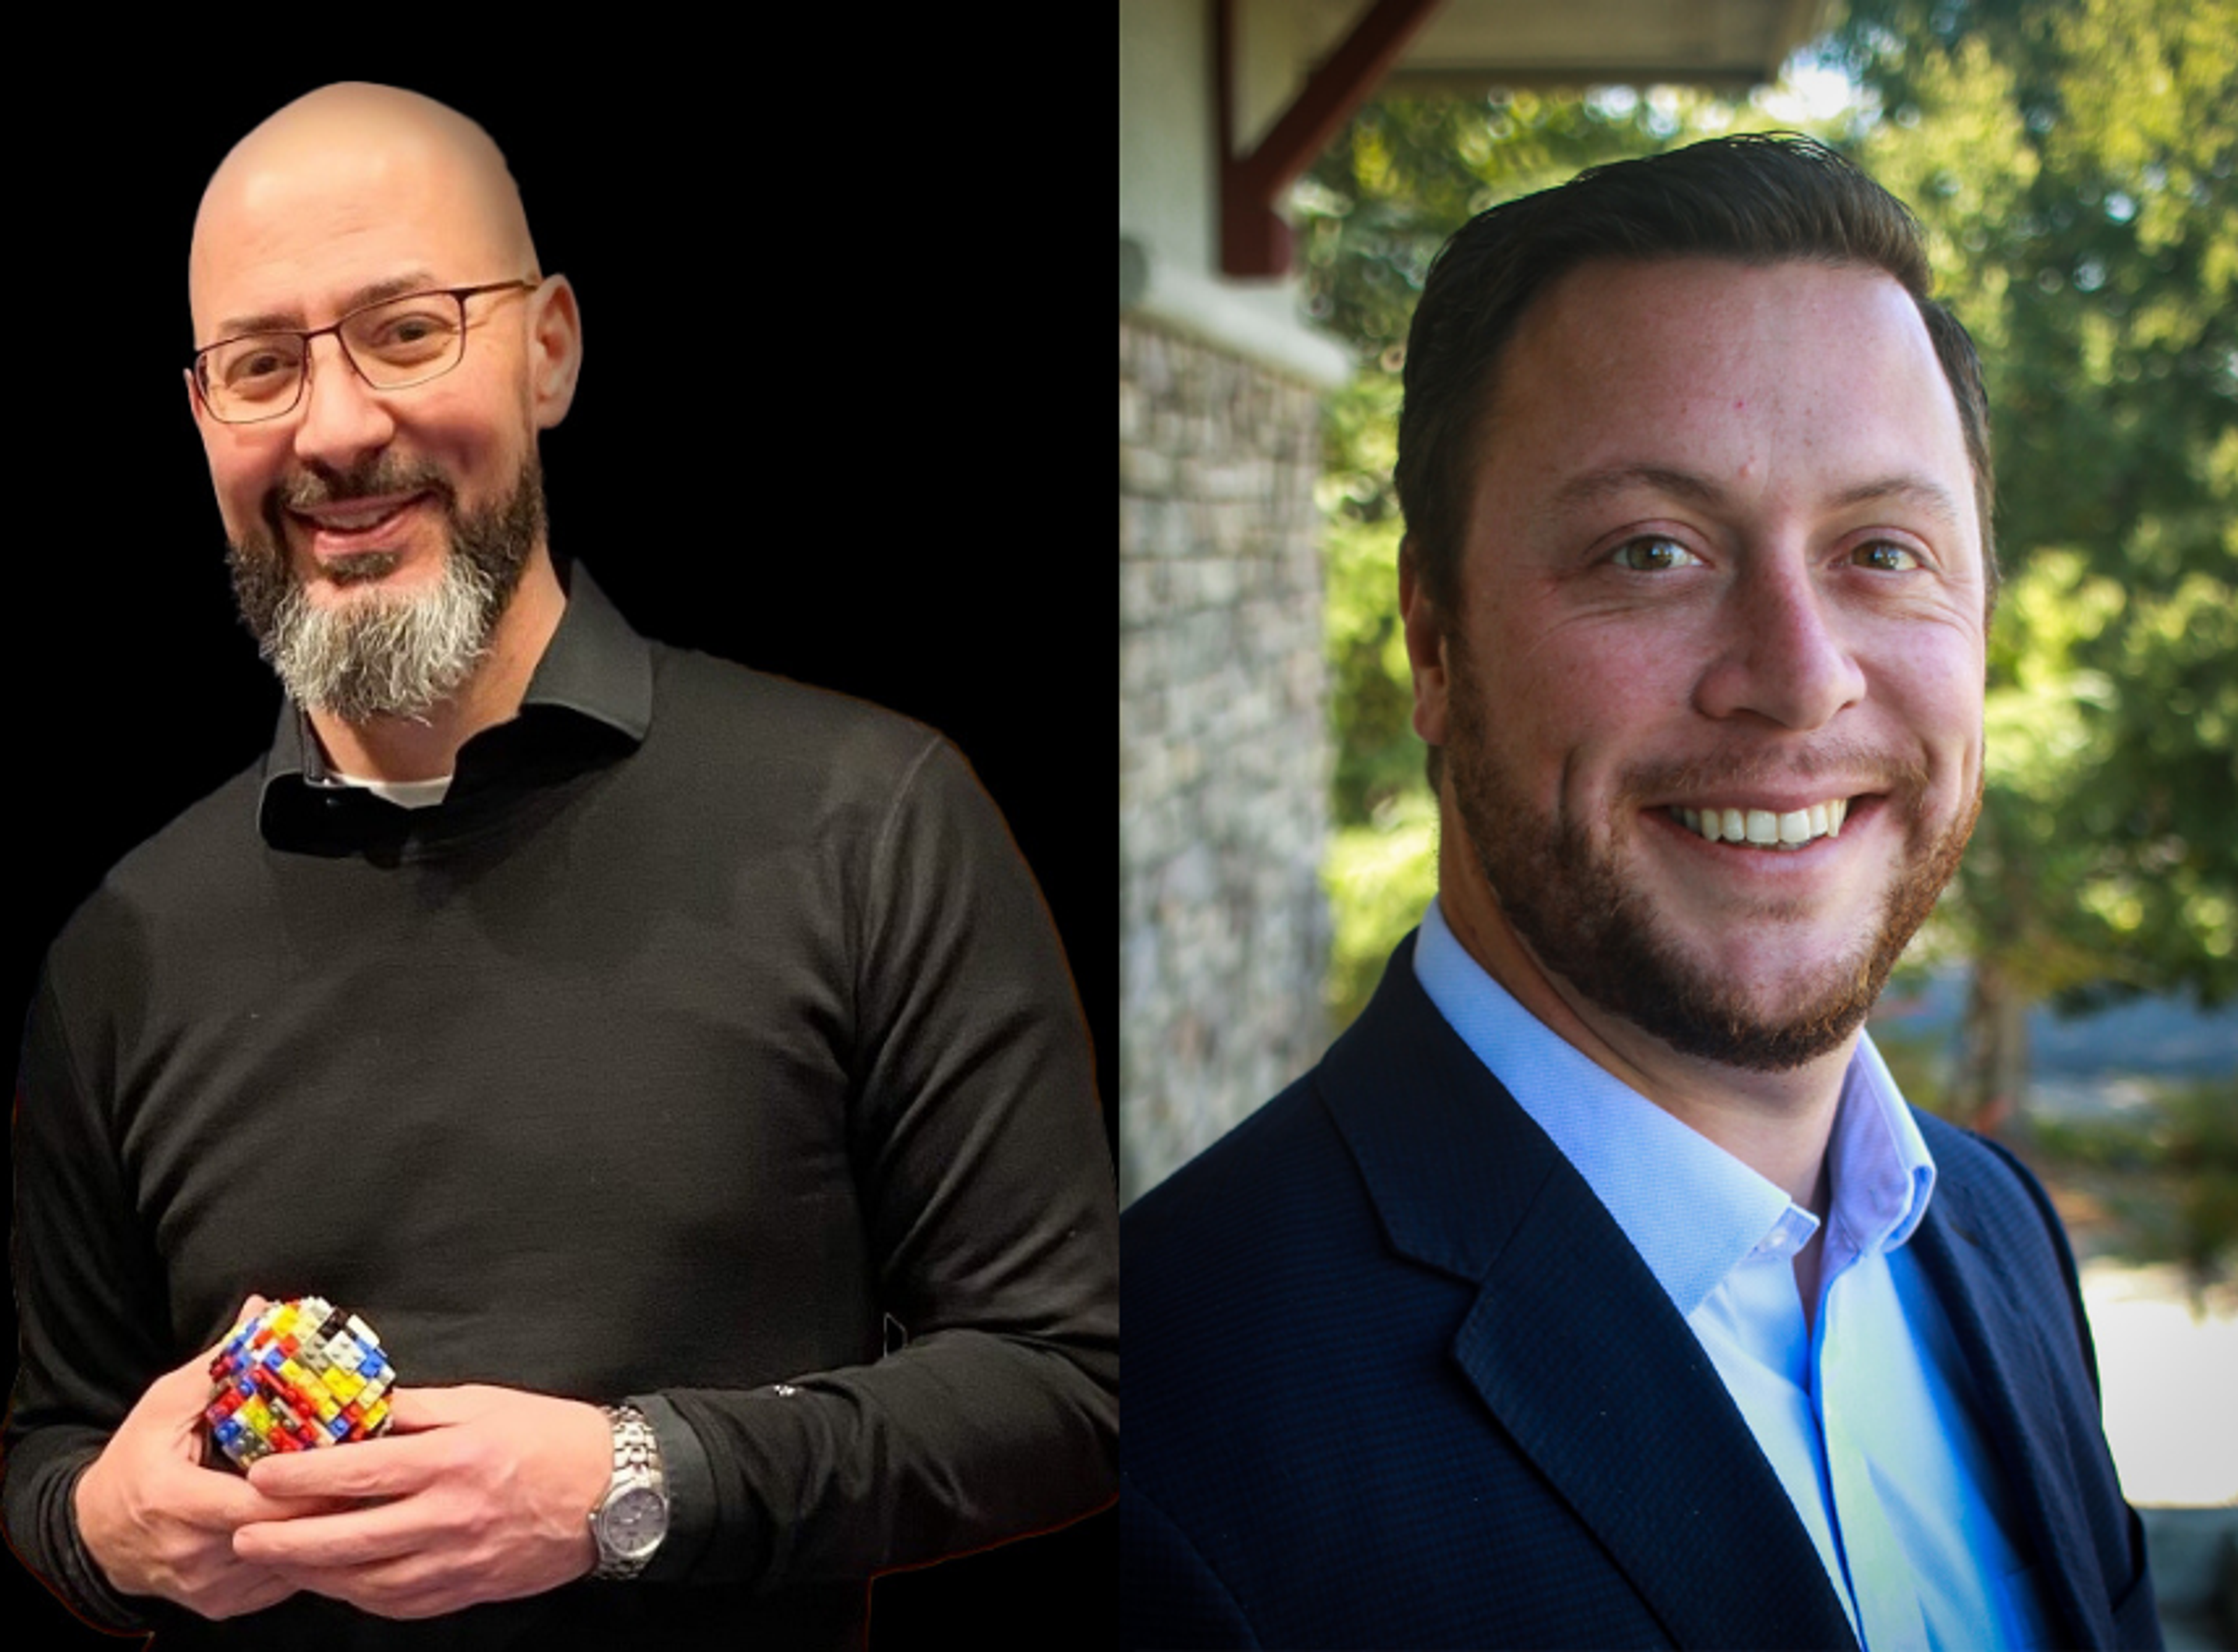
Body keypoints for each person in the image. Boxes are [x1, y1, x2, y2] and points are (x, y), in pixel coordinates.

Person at [3, 82, 1118, 1649]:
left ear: (548, 347)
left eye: (404, 331)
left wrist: (634, 1482)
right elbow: (56, 1446)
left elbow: (1068, 1382)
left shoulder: (867, 816)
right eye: (263, 366)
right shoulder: (122, 947)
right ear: (204, 418)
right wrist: (106, 1526)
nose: (331, 428)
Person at [1121, 135, 2159, 1650]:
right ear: (1431, 636)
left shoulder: (1999, 1241)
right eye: (1653, 550)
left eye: (1884, 549)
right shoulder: (1159, 1441)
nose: (1800, 679)